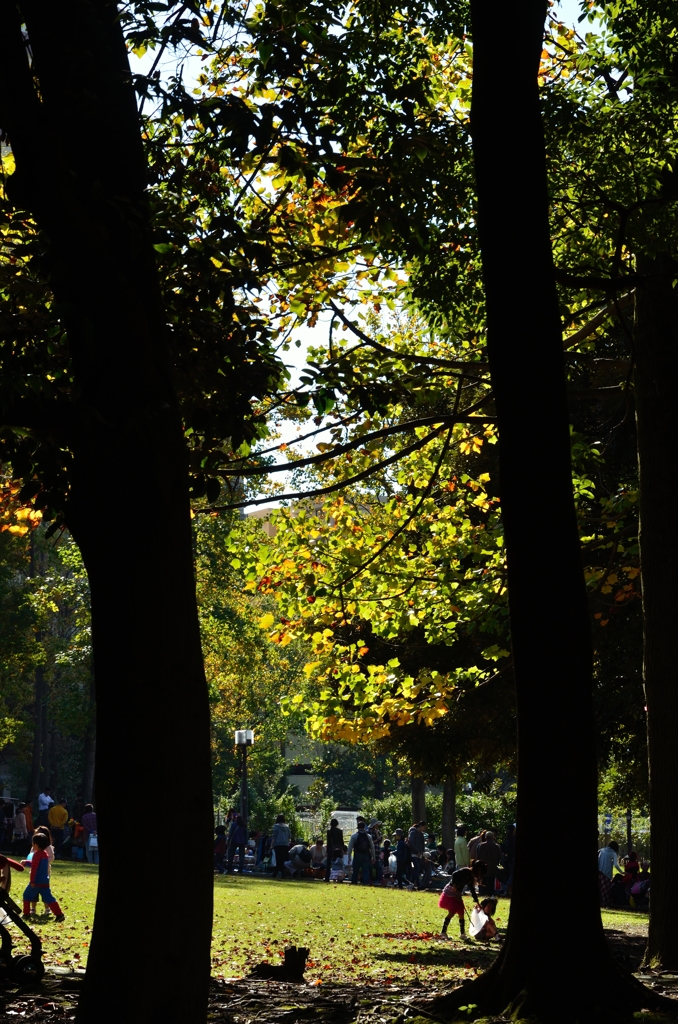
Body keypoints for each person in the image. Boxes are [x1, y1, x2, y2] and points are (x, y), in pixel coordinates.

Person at [22, 832, 64, 922]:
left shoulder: (37, 855)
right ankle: (59, 914)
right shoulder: (45, 854)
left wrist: (32, 881)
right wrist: (26, 862)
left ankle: (26, 913)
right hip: (45, 880)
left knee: (26, 895)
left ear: (36, 844)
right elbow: (38, 865)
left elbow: (34, 869)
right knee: (49, 898)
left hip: (36, 881)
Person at [438, 860, 485, 940]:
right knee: (452, 912)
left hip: (458, 894)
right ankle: (443, 932)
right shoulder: (465, 871)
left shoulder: (470, 877)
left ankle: (462, 934)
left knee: (461, 913)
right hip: (451, 891)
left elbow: (472, 890)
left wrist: (477, 901)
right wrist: (454, 885)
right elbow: (454, 874)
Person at [347, 820, 375, 885]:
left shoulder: (354, 836)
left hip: (357, 855)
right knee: (365, 871)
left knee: (355, 870)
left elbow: (350, 847)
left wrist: (349, 857)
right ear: (364, 827)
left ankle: (354, 883)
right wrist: (373, 857)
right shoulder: (368, 836)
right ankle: (365, 883)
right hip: (366, 855)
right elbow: (372, 847)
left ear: (357, 827)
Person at [477, 831, 502, 895]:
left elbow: (478, 855)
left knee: (483, 880)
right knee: (491, 880)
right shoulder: (496, 846)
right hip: (492, 866)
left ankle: (482, 892)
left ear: (485, 837)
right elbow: (499, 857)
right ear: (493, 837)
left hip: (483, 866)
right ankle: (490, 893)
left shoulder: (482, 845)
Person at [271, 814, 291, 879]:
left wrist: (271, 845)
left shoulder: (276, 826)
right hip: (285, 844)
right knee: (282, 860)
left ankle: (281, 873)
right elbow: (289, 836)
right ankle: (276, 873)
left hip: (278, 844)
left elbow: (274, 836)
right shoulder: (287, 827)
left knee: (278, 859)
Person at [325, 818, 344, 882]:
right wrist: (343, 849)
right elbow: (341, 841)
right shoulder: (339, 831)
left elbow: (328, 842)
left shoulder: (329, 831)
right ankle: (340, 877)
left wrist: (327, 851)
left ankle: (327, 877)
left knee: (328, 864)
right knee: (340, 863)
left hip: (331, 849)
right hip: (338, 849)